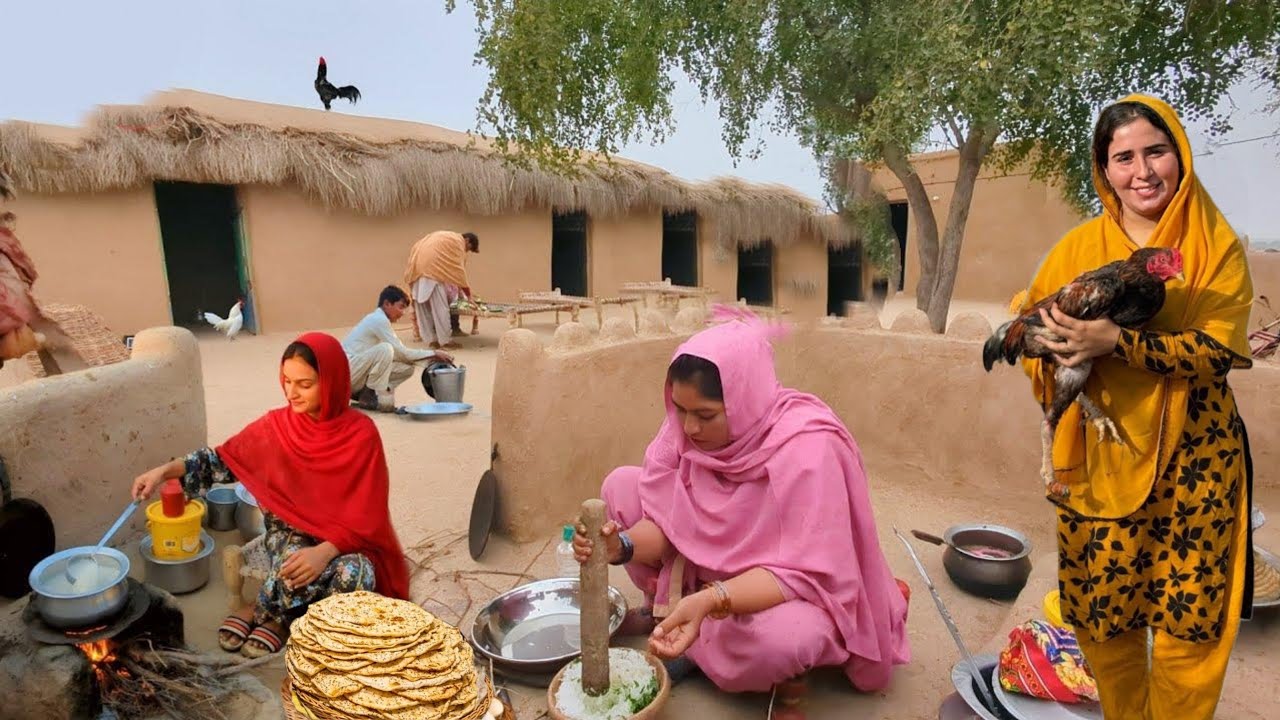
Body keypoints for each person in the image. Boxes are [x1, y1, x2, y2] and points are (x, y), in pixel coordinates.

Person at [1014, 95, 1254, 719]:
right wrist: (1055, 344)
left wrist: (1116, 342)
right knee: (1104, 618)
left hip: (1195, 465)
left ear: (1180, 154)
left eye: (1156, 151)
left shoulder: (1215, 244)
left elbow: (1218, 351)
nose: (1142, 171)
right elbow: (1031, 321)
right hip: (1103, 457)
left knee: (1189, 628)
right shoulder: (1077, 248)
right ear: (1104, 169)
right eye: (1124, 158)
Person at [573, 309, 910, 719]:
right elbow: (671, 524)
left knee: (781, 640)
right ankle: (670, 615)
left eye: (706, 415)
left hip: (781, 589)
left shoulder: (809, 451)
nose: (689, 429)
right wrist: (620, 546)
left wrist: (713, 599)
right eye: (680, 409)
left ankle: (696, 634)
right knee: (622, 485)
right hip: (704, 578)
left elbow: (806, 574)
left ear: (743, 398)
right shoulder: (683, 430)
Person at [131, 333, 409, 658]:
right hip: (287, 533)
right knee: (293, 562)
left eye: (304, 384)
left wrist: (325, 551)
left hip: (344, 540)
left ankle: (261, 609)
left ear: (332, 381)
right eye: (287, 380)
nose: (291, 392)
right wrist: (163, 472)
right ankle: (281, 620)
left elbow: (370, 512)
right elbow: (220, 460)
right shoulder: (276, 427)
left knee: (358, 574)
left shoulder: (361, 434)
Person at [342, 286, 451, 412]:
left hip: (355, 372)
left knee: (406, 367)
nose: (402, 312)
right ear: (387, 304)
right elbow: (402, 352)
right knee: (385, 349)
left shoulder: (380, 320)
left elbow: (400, 356)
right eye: (401, 307)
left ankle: (365, 394)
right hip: (347, 374)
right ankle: (367, 396)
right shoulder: (378, 320)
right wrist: (434, 353)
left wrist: (428, 359)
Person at [404, 230, 480, 348]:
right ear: (467, 240)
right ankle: (446, 341)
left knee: (423, 309)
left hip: (417, 272)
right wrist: (468, 296)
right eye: (469, 248)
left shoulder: (444, 236)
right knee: (441, 309)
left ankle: (431, 340)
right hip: (434, 273)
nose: (466, 251)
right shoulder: (458, 242)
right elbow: (458, 270)